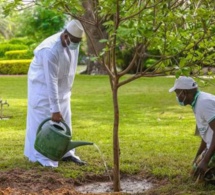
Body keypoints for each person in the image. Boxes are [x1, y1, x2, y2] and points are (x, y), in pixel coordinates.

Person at [24, 19, 86, 167]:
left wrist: (66, 94)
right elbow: (50, 81)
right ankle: (43, 158)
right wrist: (55, 109)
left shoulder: (73, 43)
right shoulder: (49, 50)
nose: (76, 44)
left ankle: (66, 153)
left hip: (62, 90)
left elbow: (70, 69)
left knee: (66, 123)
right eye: (74, 41)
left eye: (78, 41)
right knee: (41, 123)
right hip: (42, 90)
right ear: (65, 36)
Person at [169, 76, 215, 181]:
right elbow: (205, 133)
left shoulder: (204, 103)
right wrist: (197, 157)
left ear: (184, 93)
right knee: (195, 171)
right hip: (212, 144)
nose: (177, 97)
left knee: (205, 178)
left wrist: (205, 161)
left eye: (177, 93)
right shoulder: (197, 102)